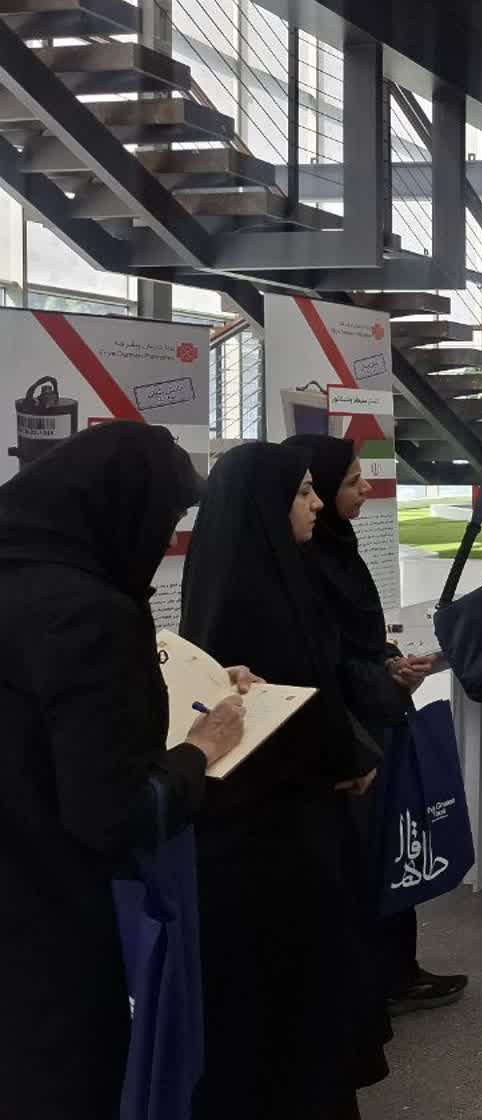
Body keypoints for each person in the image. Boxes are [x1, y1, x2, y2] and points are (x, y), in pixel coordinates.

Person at [0, 423, 246, 1120]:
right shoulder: (92, 615)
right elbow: (111, 812)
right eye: (163, 522)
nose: (163, 543)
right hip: (54, 930)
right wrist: (200, 751)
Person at [181, 441, 387, 1119]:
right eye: (302, 493)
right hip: (268, 844)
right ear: (265, 507)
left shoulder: (284, 578)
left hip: (303, 828)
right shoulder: (250, 600)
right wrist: (336, 760)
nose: (317, 504)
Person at [287, 433, 466, 1015]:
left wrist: (390, 663)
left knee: (390, 844)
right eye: (350, 482)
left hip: (375, 719)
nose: (365, 489)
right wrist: (380, 676)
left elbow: (358, 640)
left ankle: (397, 970)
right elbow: (325, 660)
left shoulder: (341, 547)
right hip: (348, 735)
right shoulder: (303, 565)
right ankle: (375, 981)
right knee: (365, 858)